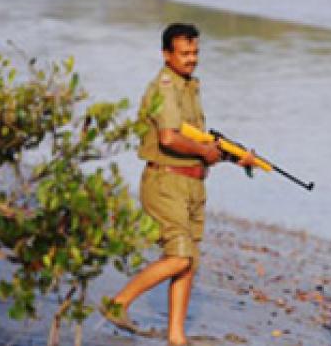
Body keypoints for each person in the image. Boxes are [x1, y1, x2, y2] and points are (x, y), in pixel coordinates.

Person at [102, 23, 255, 346]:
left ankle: (176, 336)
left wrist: (233, 155)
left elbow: (201, 141)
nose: (191, 59)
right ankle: (117, 303)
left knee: (189, 263)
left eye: (195, 52)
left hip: (193, 185)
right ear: (166, 54)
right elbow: (170, 138)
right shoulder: (165, 87)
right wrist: (206, 151)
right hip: (166, 182)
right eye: (184, 53)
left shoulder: (189, 85)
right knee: (180, 257)